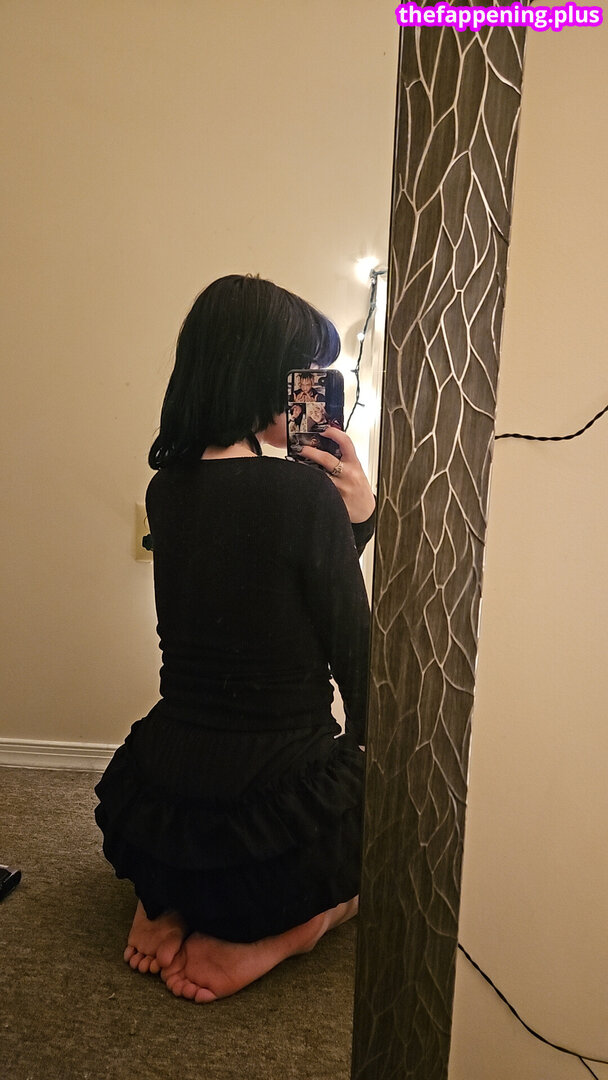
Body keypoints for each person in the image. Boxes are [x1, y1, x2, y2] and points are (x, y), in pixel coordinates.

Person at [94, 274, 376, 1004]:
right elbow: (353, 648)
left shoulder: (167, 489)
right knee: (388, 850)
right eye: (306, 375)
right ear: (265, 375)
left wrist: (342, 522)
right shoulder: (303, 494)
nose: (314, 394)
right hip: (274, 789)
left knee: (197, 837)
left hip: (169, 788)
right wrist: (370, 762)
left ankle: (167, 898)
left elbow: (251, 595)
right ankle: (287, 932)